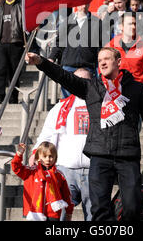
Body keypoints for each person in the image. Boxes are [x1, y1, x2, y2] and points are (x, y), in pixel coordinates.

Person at [25, 47, 143, 221]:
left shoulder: (136, 88)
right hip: (99, 156)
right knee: (98, 209)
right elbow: (63, 76)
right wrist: (41, 62)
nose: (103, 63)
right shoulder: (91, 88)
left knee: (132, 207)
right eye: (99, 61)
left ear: (119, 62)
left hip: (127, 155)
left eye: (107, 59)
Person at [29, 68, 92, 221]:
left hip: (94, 169)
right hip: (65, 170)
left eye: (85, 80)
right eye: (76, 79)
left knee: (94, 215)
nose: (80, 83)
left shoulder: (102, 105)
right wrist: (35, 152)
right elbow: (47, 134)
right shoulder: (59, 108)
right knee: (59, 213)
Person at [48, 3, 102, 98]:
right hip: (68, 65)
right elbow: (59, 42)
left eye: (86, 3)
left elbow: (101, 45)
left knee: (86, 98)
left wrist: (101, 61)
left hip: (88, 66)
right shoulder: (67, 22)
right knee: (68, 100)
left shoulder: (97, 22)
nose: (84, 6)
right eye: (81, 3)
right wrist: (52, 57)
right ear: (76, 4)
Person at [11, 141, 74, 221]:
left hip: (53, 214)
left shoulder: (59, 175)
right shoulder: (30, 172)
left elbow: (66, 195)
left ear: (55, 158)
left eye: (51, 156)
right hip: (32, 212)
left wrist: (69, 212)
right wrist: (19, 154)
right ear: (37, 158)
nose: (48, 159)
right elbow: (16, 167)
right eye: (44, 156)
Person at [106, 12, 143, 89]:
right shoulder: (111, 47)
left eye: (135, 24)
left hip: (137, 90)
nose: (133, 27)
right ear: (121, 26)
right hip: (115, 92)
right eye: (130, 24)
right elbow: (103, 68)